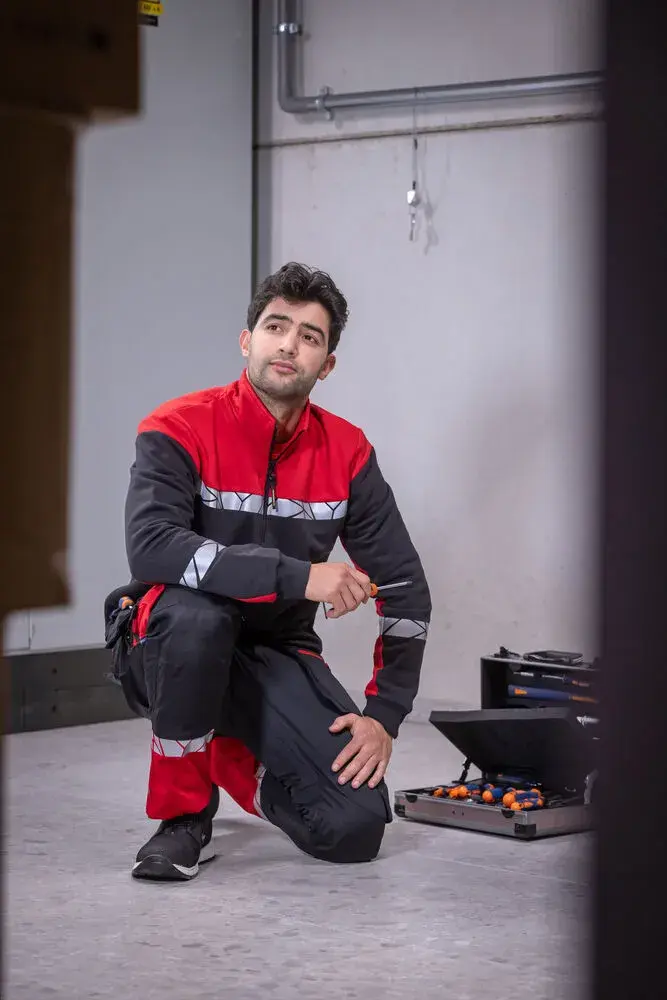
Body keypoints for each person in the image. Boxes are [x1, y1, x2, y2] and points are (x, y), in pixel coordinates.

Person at [105, 262, 431, 881]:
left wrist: (384, 715)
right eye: (277, 326)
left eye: (310, 336)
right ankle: (184, 817)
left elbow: (407, 588)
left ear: (326, 364)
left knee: (353, 828)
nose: (290, 343)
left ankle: (227, 753)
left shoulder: (349, 452)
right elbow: (151, 548)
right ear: (247, 339)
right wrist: (300, 576)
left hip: (275, 647)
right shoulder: (178, 426)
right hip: (168, 640)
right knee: (198, 619)